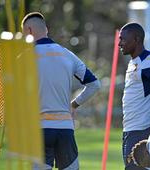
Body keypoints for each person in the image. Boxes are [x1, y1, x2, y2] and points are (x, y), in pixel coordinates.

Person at [21, 12, 101, 170]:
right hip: (65, 128)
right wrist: (74, 105)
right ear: (46, 30)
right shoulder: (67, 54)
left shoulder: (23, 58)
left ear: (29, 31)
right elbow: (94, 84)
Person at [118, 22, 150, 170]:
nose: (120, 43)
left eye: (123, 39)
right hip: (130, 129)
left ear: (137, 39)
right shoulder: (134, 62)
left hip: (142, 130)